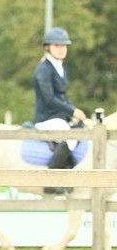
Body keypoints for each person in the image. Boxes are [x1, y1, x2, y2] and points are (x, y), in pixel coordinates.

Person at [33, 26, 88, 193]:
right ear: (47, 47)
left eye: (63, 45)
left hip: (59, 117)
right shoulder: (43, 69)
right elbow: (49, 99)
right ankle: (50, 181)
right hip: (46, 118)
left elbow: (62, 96)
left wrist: (74, 111)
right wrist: (72, 111)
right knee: (70, 137)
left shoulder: (61, 68)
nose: (61, 49)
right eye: (56, 45)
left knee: (81, 129)